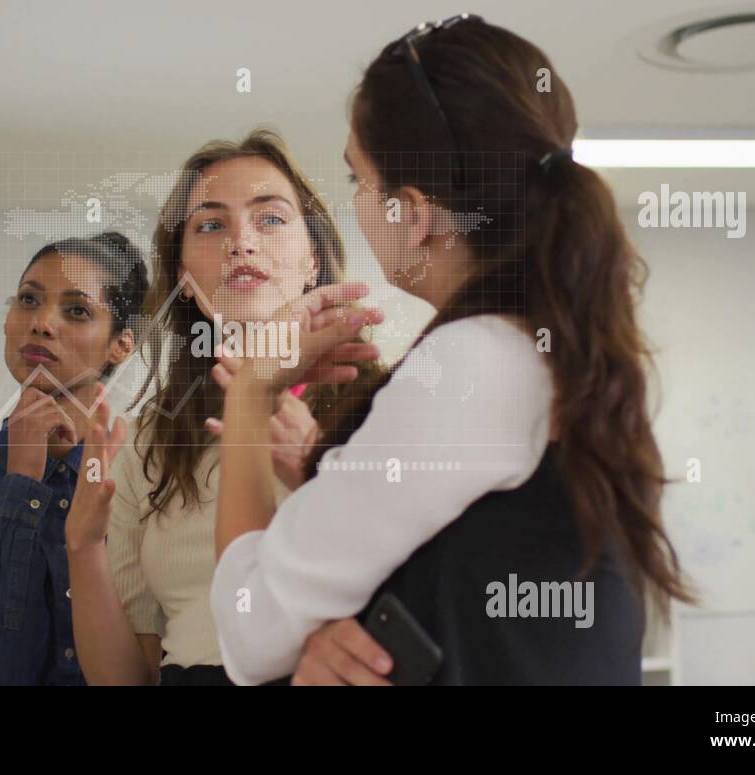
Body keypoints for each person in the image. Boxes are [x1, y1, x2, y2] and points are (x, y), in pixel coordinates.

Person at [209, 16, 694, 685]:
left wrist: (249, 392)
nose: (357, 203)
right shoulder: (552, 349)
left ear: (414, 211)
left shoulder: (471, 365)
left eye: (359, 180)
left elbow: (249, 629)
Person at [65, 130, 380, 685]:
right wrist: (82, 545)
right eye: (211, 225)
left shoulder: (386, 405)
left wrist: (316, 477)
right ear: (184, 279)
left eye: (272, 218)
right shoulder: (144, 444)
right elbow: (126, 677)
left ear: (312, 260)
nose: (241, 241)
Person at [0, 231, 148, 685]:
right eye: (29, 300)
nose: (42, 323)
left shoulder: (148, 480)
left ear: (121, 344)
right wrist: (21, 487)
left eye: (77, 310)